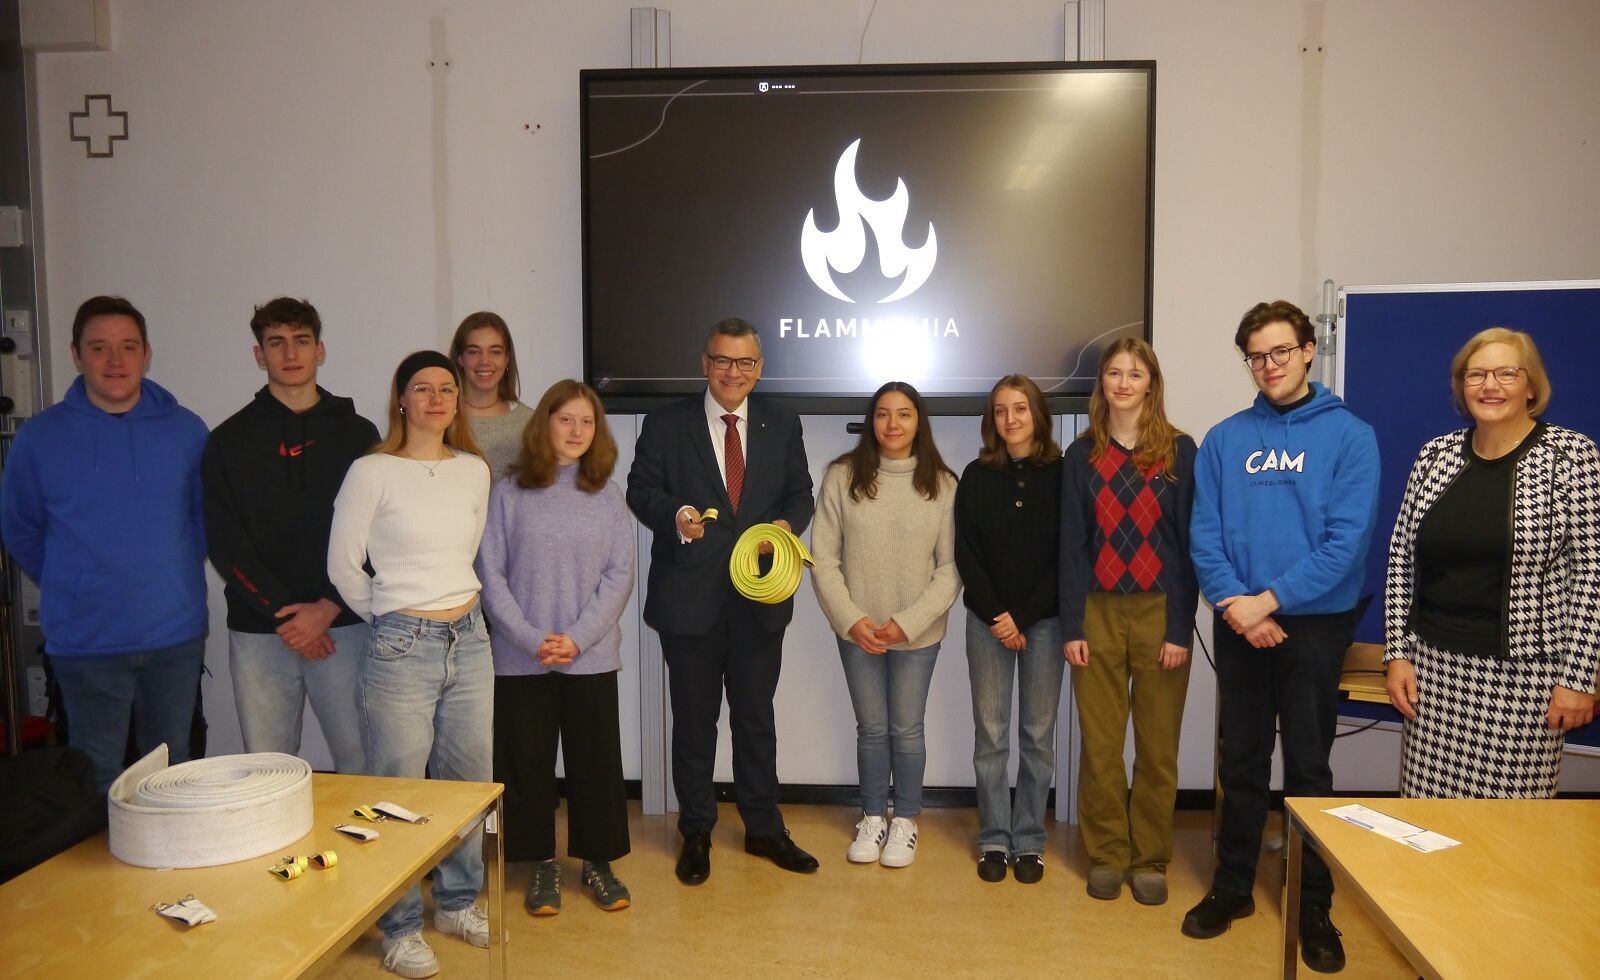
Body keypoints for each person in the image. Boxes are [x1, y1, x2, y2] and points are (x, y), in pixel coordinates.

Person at [1185, 300, 1380, 974]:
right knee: (1240, 762)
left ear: (1307, 351)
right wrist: (1239, 606)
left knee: (1308, 769)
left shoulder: (1351, 436)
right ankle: (1233, 886)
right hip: (1239, 618)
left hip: (1314, 625)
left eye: (1280, 352)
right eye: (1256, 357)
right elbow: (1204, 535)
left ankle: (1312, 905)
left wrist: (1268, 601)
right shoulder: (1225, 439)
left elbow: (1346, 545)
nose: (1268, 366)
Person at [625, 317, 817, 885]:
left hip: (760, 596)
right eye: (723, 360)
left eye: (745, 362)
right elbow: (641, 490)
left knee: (756, 719)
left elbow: (800, 493)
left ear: (760, 368)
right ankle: (697, 831)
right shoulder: (666, 423)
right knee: (694, 723)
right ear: (705, 364)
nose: (734, 372)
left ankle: (764, 828)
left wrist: (785, 526)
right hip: (690, 600)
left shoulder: (783, 422)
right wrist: (676, 515)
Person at [0, 295, 209, 794]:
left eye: (128, 347)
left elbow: (205, 520)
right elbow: (20, 527)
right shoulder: (41, 438)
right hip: (86, 643)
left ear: (146, 354)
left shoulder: (187, 430)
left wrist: (168, 572)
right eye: (99, 348)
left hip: (173, 637)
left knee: (171, 775)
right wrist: (70, 581)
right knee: (96, 779)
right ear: (76, 354)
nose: (115, 361)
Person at [328, 350, 492, 979]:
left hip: (470, 637)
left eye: (446, 389)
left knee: (467, 785)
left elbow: (466, 550)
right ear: (401, 398)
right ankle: (398, 928)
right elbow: (343, 565)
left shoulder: (473, 470)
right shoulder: (371, 471)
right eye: (422, 388)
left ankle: (456, 903)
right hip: (401, 644)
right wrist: (392, 616)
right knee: (396, 789)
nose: (436, 399)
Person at [1384, 327, 1599, 798]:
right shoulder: (1435, 456)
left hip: (1528, 683)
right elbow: (1401, 559)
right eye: (1476, 375)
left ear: (1531, 387)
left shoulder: (1571, 457)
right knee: (1427, 822)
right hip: (1433, 675)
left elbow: (1591, 576)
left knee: (1510, 829)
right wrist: (1397, 653)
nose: (1490, 386)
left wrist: (1579, 678)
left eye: (1506, 374)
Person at [477, 379, 635, 915]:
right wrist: (529, 638)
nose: (576, 430)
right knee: (526, 766)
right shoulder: (508, 494)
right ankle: (540, 863)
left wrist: (578, 638)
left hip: (589, 655)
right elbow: (490, 574)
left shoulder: (608, 495)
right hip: (520, 656)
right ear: (543, 423)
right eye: (565, 419)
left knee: (596, 764)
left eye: (587, 421)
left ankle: (597, 861)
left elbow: (619, 576)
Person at [203, 297, 378, 773]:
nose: (290, 353)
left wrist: (327, 607)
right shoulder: (228, 439)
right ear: (259, 355)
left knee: (362, 762)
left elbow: (378, 533)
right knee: (268, 770)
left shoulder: (359, 434)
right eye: (276, 343)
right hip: (260, 630)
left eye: (301, 341)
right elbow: (223, 541)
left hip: (344, 624)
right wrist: (286, 616)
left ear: (320, 349)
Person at [1059, 337, 1197, 905]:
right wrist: (1072, 626)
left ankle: (1149, 858)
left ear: (1151, 384)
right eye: (1114, 373)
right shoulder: (1081, 455)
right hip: (1096, 610)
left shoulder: (1179, 451)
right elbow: (1071, 547)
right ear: (1102, 383)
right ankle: (1109, 854)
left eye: (1134, 374)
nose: (1123, 383)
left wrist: (1180, 629)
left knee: (1158, 746)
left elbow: (1189, 546)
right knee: (1100, 745)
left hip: (1160, 611)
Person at [810, 381, 960, 869]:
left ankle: (907, 820)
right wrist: (851, 620)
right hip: (858, 632)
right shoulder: (842, 476)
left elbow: (950, 569)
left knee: (907, 729)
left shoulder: (944, 484)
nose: (892, 424)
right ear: (871, 421)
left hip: (918, 634)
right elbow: (823, 559)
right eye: (882, 414)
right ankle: (873, 815)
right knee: (872, 729)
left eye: (904, 414)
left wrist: (908, 623)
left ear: (919, 422)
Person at [953, 374, 1064, 885]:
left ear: (1037, 415)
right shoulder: (976, 475)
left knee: (1038, 736)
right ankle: (994, 838)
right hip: (987, 623)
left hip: (1045, 622)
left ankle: (1030, 841)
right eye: (1000, 410)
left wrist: (1023, 616)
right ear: (991, 420)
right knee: (991, 736)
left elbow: (1068, 555)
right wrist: (999, 615)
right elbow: (967, 552)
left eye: (1020, 408)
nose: (1010, 419)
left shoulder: (1064, 474)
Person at [451, 311, 533, 479]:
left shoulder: (530, 423)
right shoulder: (441, 418)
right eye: (474, 352)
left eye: (495, 352)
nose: (484, 361)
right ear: (460, 359)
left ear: (507, 359)